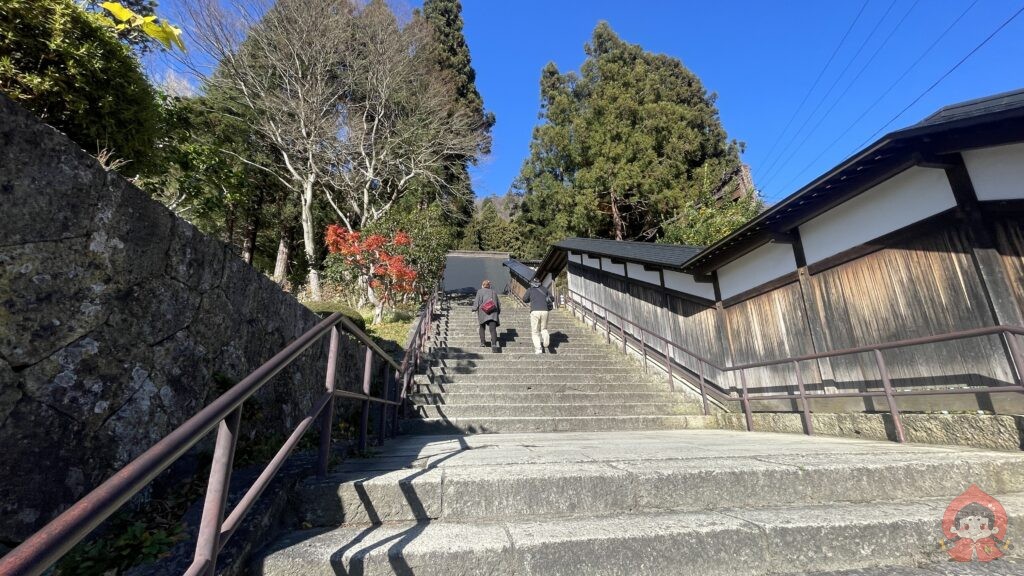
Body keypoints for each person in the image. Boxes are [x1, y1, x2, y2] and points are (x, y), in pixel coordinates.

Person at [522, 278, 553, 354]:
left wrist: (532, 299)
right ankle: (546, 338)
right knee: (544, 328)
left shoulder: (530, 290)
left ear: (533, 283)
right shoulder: (545, 289)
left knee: (535, 331)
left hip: (535, 311)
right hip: (545, 311)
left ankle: (538, 349)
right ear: (540, 283)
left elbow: (524, 299)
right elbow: (552, 298)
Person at [472, 279, 501, 353]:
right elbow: (498, 304)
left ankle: (482, 342)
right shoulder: (493, 292)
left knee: (482, 327)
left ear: (482, 285)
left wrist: (474, 309)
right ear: (489, 286)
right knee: (493, 329)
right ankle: (494, 345)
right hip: (493, 312)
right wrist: (498, 312)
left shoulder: (480, 291)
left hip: (483, 312)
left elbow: (477, 301)